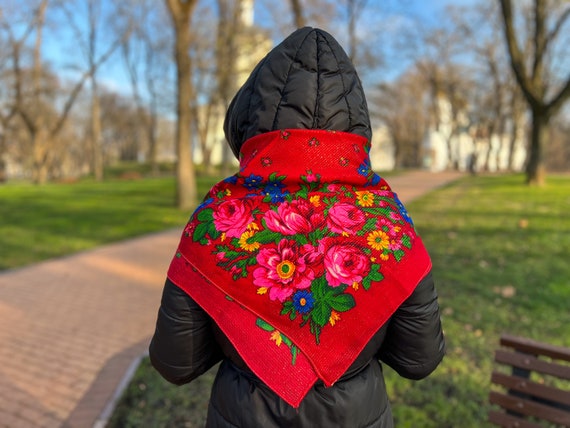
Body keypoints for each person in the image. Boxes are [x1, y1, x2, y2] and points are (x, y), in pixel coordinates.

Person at [149, 27, 445, 428]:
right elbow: (420, 359)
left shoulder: (218, 218)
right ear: (357, 124)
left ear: (248, 122)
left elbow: (176, 363)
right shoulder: (387, 220)